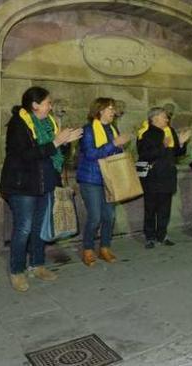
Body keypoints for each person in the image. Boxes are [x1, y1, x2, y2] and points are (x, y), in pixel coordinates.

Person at [0, 87, 83, 292]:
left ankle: (37, 265)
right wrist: (57, 141)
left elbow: (55, 154)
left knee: (40, 227)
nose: (50, 106)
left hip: (45, 183)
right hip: (23, 185)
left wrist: (65, 143)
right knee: (23, 228)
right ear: (35, 105)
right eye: (47, 103)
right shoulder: (19, 124)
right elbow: (25, 155)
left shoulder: (49, 123)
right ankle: (17, 271)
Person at [75, 98, 132, 267]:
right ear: (99, 111)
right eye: (110, 109)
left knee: (110, 216)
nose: (113, 112)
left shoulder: (113, 128)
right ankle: (88, 249)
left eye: (113, 109)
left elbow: (114, 151)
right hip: (91, 179)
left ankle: (105, 247)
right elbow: (91, 154)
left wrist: (119, 145)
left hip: (110, 178)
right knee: (95, 217)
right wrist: (114, 143)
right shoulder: (88, 130)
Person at [138, 107, 192, 248]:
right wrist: (162, 146)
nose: (167, 119)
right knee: (150, 209)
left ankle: (162, 235)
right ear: (154, 118)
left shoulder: (170, 131)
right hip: (152, 178)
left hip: (167, 176)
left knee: (164, 210)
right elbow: (145, 155)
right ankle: (150, 237)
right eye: (164, 117)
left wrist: (181, 143)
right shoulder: (146, 134)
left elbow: (177, 153)